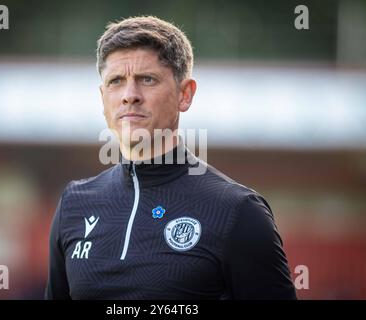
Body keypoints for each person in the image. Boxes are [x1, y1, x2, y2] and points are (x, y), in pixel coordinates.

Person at [45, 16, 297, 300]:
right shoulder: (74, 203)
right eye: (116, 81)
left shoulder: (238, 212)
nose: (130, 95)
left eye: (147, 79)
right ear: (103, 98)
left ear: (184, 95)